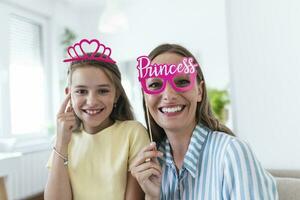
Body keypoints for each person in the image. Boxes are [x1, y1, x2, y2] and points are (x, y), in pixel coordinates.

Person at [130, 44, 278, 200]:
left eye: (181, 82)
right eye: (155, 85)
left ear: (199, 91)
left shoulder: (231, 154)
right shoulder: (151, 167)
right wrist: (153, 197)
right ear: (145, 97)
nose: (168, 95)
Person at [44, 39, 149, 200]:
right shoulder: (63, 140)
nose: (92, 101)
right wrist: (61, 142)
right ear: (69, 94)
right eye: (81, 91)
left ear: (117, 95)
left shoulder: (133, 133)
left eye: (102, 91)